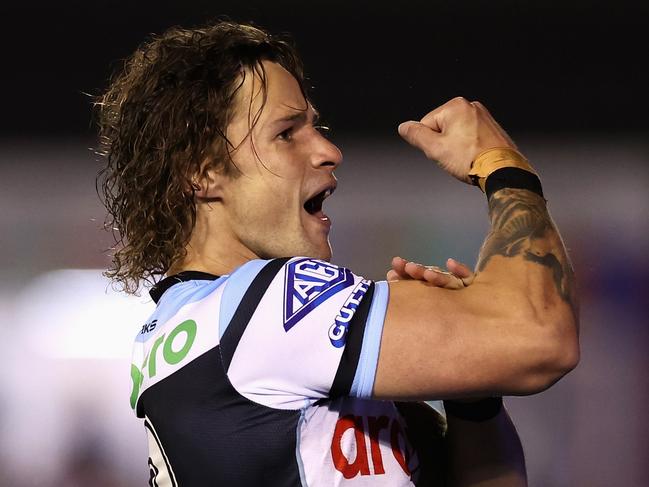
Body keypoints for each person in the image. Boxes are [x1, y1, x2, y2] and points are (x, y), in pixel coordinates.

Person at [97, 21, 579, 486]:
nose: (329, 150)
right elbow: (541, 337)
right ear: (202, 173)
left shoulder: (185, 329)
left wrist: (472, 396)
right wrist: (502, 166)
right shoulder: (265, 305)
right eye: (286, 133)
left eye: (316, 126)